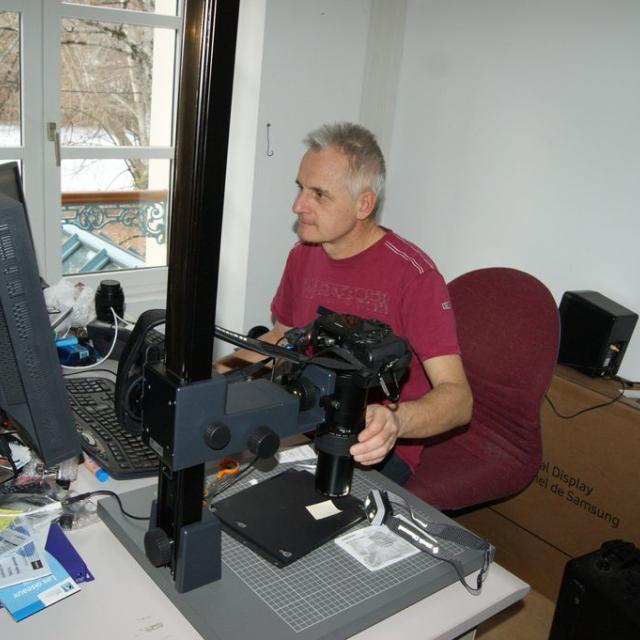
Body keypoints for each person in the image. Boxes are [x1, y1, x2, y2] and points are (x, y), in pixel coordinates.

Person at [217, 122, 472, 485]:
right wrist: (210, 374)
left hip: (373, 444)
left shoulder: (414, 276)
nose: (298, 206)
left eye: (319, 194)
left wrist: (395, 421)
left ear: (363, 204)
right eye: (300, 188)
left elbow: (459, 400)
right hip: (303, 421)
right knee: (220, 484)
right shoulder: (303, 255)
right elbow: (283, 335)